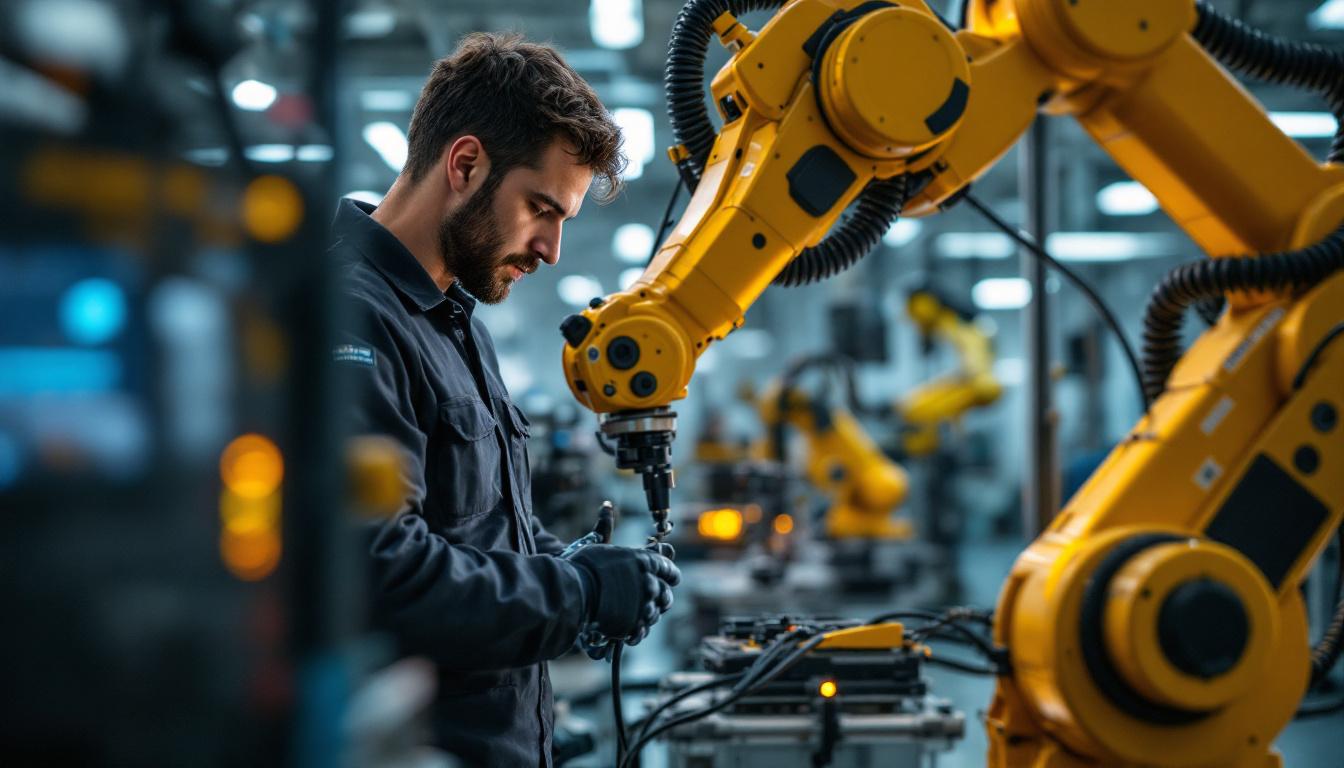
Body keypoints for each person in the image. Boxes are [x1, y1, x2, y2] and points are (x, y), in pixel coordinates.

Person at [330, 32, 680, 767]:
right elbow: (382, 571)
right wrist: (575, 595)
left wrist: (583, 567)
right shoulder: (351, 317)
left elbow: (479, 533)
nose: (551, 248)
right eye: (541, 208)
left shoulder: (457, 323)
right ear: (465, 164)